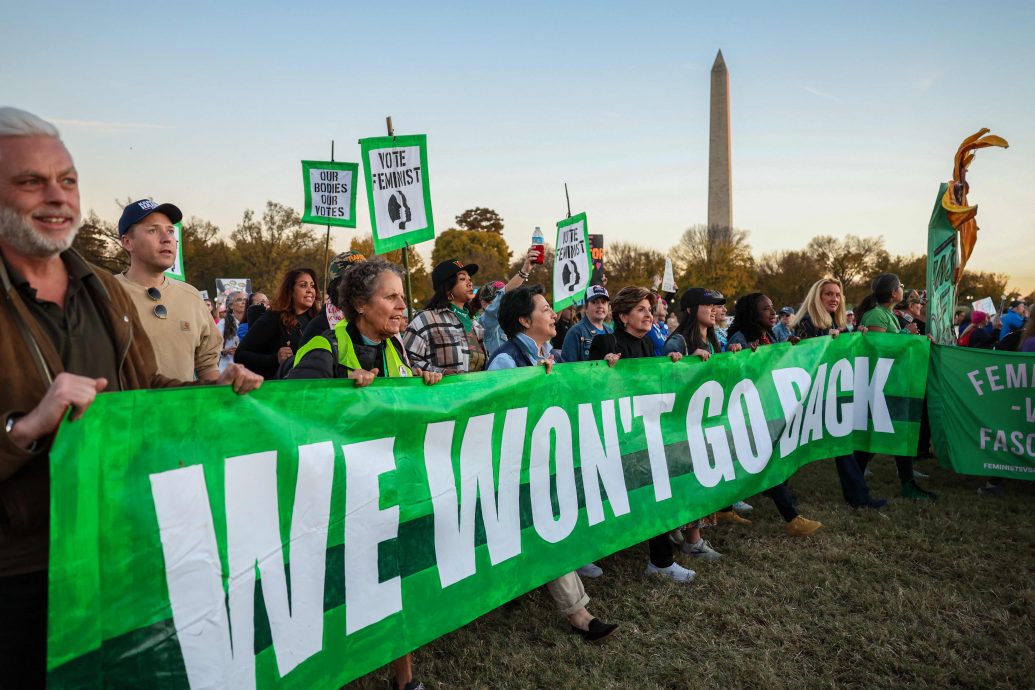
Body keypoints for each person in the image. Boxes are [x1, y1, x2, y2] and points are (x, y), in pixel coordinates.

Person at [0, 107, 261, 688]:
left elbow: (150, 391)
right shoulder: (117, 289)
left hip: (122, 527)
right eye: (29, 180)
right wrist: (25, 426)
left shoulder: (101, 298)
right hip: (24, 562)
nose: (56, 195)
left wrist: (214, 389)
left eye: (67, 180)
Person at [287, 260, 437, 689]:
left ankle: (404, 678)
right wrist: (339, 388)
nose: (401, 306)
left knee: (394, 573)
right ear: (358, 304)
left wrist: (422, 384)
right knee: (333, 585)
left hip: (382, 487)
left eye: (402, 297)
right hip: (331, 493)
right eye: (390, 297)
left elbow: (405, 411)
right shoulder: (324, 343)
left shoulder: (395, 349)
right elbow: (293, 402)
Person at [484, 285, 620, 641]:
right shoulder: (506, 360)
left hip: (543, 463)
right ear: (525, 320)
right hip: (516, 469)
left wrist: (601, 373)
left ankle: (511, 592)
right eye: (545, 309)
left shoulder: (552, 356)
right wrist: (532, 386)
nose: (553, 314)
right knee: (545, 531)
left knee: (530, 533)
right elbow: (495, 415)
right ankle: (579, 614)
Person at [589, 287, 698, 582]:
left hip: (643, 437)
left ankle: (661, 563)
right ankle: (584, 554)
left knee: (658, 489)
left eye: (649, 309)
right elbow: (586, 385)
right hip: (614, 438)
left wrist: (673, 366)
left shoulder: (651, 346)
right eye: (640, 309)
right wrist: (604, 368)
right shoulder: (605, 342)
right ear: (623, 316)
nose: (648, 314)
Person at [727, 293, 824, 535]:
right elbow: (733, 372)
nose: (773, 313)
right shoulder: (740, 337)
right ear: (752, 313)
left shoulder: (767, 334)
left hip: (765, 407)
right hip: (748, 412)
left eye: (773, 308)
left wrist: (786, 349)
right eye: (766, 309)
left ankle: (726, 507)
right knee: (765, 458)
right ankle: (791, 518)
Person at [791, 278, 887, 509]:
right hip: (807, 396)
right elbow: (799, 356)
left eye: (837, 294)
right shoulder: (806, 322)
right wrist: (825, 341)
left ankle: (858, 497)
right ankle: (774, 487)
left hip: (831, 394)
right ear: (817, 297)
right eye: (828, 294)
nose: (834, 298)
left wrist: (857, 337)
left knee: (842, 444)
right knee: (792, 443)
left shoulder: (839, 321)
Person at [663, 287, 740, 557]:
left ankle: (682, 530)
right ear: (690, 310)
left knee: (702, 478)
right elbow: (663, 380)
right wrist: (687, 364)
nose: (715, 309)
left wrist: (732, 355)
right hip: (683, 425)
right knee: (691, 480)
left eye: (717, 305)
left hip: (705, 421)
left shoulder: (716, 339)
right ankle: (692, 542)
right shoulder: (678, 341)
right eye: (708, 305)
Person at [114, 199, 224, 381]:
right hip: (124, 409)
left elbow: (208, 367)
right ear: (127, 242)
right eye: (152, 230)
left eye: (171, 231)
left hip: (185, 409)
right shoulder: (104, 294)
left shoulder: (191, 296)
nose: (167, 239)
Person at [855, 274, 936, 500]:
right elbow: (877, 350)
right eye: (900, 286)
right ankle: (860, 481)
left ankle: (903, 483)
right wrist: (907, 336)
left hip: (894, 383)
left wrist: (920, 341)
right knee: (879, 432)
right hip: (881, 385)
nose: (903, 288)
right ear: (893, 293)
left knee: (893, 431)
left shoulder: (888, 314)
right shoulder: (875, 315)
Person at [403, 258, 488, 373]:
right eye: (462, 279)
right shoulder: (425, 320)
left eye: (469, 279)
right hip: (441, 391)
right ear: (448, 288)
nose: (470, 283)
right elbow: (407, 362)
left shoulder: (475, 324)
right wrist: (440, 373)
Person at [234, 268, 319, 379]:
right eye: (303, 285)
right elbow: (240, 355)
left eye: (312, 286)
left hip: (314, 389)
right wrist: (275, 359)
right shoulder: (273, 318)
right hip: (281, 391)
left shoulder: (319, 320)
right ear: (290, 291)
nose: (310, 290)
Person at [474, 248, 539, 357]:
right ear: (484, 304)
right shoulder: (484, 326)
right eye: (496, 300)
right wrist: (524, 272)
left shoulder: (517, 323)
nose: (505, 303)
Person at [299, 250, 366, 349]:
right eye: (354, 281)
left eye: (367, 280)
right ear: (336, 287)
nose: (363, 286)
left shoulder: (373, 320)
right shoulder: (319, 328)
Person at [561, 285, 613, 363]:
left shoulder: (611, 331)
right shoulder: (576, 332)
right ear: (586, 307)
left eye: (603, 302)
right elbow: (568, 368)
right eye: (594, 302)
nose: (600, 306)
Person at [216, 291, 247, 372]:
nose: (244, 302)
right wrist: (224, 351)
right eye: (239, 300)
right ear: (231, 305)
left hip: (248, 369)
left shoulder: (253, 322)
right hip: (227, 370)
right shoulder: (223, 324)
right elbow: (212, 348)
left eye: (245, 299)